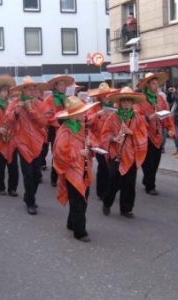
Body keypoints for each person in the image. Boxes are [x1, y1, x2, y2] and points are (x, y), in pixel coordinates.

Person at [53, 96, 99, 242]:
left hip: (84, 168)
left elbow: (95, 142)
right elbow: (59, 151)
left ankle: (72, 222)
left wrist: (91, 144)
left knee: (82, 197)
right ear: (73, 115)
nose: (84, 114)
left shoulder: (83, 127)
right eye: (81, 112)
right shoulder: (64, 130)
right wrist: (78, 152)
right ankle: (80, 231)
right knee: (79, 199)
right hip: (71, 170)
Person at [100, 87, 147, 218]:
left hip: (131, 155)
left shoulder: (138, 118)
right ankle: (107, 202)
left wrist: (131, 133)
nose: (126, 104)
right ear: (119, 103)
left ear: (132, 103)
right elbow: (104, 135)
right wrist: (113, 138)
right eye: (123, 102)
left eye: (128, 102)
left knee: (129, 184)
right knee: (114, 182)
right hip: (116, 155)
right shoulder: (112, 117)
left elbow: (143, 135)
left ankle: (126, 209)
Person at [6, 76, 49, 215]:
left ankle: (28, 196)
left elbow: (43, 123)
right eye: (29, 89)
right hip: (22, 143)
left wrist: (33, 112)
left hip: (37, 143)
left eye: (33, 89)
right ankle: (30, 202)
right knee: (28, 174)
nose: (32, 91)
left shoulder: (39, 104)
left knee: (37, 175)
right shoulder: (14, 103)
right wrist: (17, 112)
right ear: (23, 90)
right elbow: (8, 121)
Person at [134, 72, 176, 195]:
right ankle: (150, 186)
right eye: (153, 83)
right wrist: (147, 117)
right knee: (148, 163)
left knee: (156, 161)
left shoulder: (160, 98)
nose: (156, 85)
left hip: (158, 135)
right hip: (145, 136)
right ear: (147, 85)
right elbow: (135, 116)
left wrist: (170, 128)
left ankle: (147, 179)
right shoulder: (140, 99)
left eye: (157, 83)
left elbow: (167, 114)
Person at [87, 82, 118, 200]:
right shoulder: (94, 107)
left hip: (111, 141)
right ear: (99, 96)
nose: (106, 96)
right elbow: (87, 121)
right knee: (103, 166)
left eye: (107, 94)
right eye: (103, 95)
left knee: (111, 167)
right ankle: (101, 192)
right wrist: (97, 115)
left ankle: (109, 189)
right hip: (99, 142)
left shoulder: (114, 106)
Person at [42, 75, 75, 187]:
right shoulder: (49, 99)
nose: (62, 87)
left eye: (64, 85)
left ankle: (66, 176)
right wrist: (59, 117)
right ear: (55, 86)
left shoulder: (67, 98)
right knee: (56, 153)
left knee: (67, 152)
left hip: (67, 128)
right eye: (60, 84)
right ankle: (54, 177)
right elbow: (47, 116)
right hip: (55, 129)